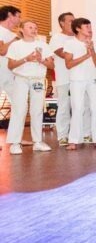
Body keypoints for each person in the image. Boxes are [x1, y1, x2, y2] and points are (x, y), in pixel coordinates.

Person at [5, 19, 54, 154]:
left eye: (35, 27)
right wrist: (26, 59)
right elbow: (10, 65)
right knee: (19, 109)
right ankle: (15, 143)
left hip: (37, 80)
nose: (34, 30)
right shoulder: (16, 46)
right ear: (21, 29)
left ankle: (37, 142)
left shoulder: (43, 45)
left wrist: (41, 60)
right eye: (30, 27)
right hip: (21, 79)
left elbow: (51, 65)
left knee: (37, 110)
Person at [63, 18, 96, 150]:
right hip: (77, 80)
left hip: (93, 79)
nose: (90, 29)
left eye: (90, 26)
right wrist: (86, 56)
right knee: (78, 108)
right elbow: (68, 64)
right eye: (87, 27)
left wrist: (92, 51)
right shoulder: (70, 43)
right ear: (78, 28)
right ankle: (73, 140)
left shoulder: (91, 43)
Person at [49, 12, 77, 145]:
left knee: (79, 106)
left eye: (74, 20)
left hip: (79, 78)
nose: (74, 23)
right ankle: (62, 136)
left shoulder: (78, 38)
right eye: (70, 21)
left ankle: (77, 135)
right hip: (64, 78)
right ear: (62, 23)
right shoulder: (57, 38)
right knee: (64, 106)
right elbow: (63, 54)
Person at [0, 6, 22, 114]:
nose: (20, 19)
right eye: (18, 16)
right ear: (9, 15)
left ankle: (15, 131)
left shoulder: (14, 35)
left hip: (12, 74)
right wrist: (16, 39)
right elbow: (2, 51)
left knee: (20, 105)